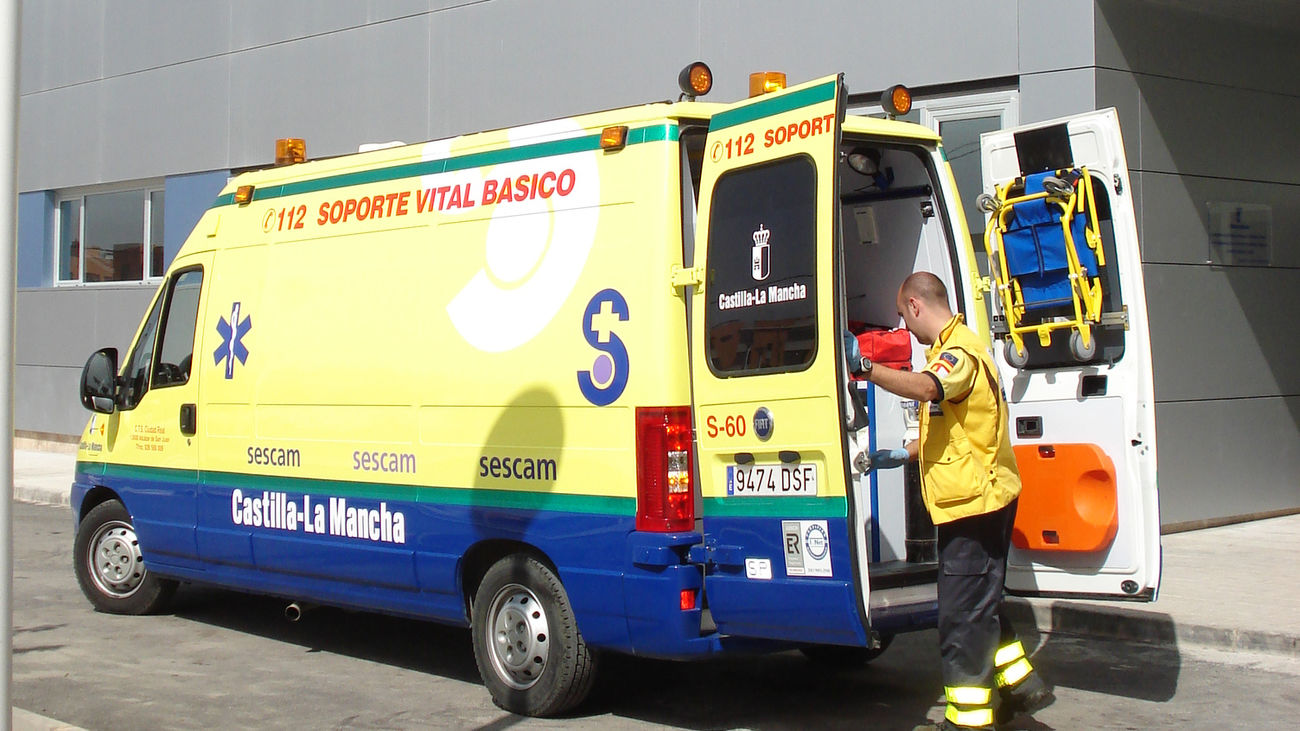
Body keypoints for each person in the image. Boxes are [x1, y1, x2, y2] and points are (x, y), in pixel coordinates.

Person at [853, 272, 1053, 730]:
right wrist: (897, 455)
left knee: (961, 616)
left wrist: (866, 368)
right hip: (975, 502)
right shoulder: (956, 349)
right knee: (978, 600)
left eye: (904, 316)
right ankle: (1019, 684)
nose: (906, 326)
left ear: (916, 306)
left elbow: (928, 388)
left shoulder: (957, 354)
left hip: (975, 505)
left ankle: (968, 720)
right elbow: (953, 428)